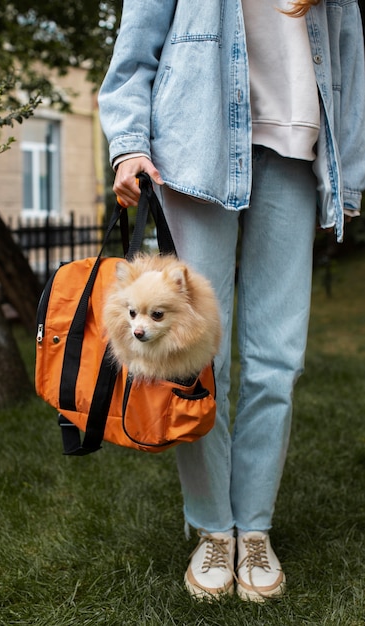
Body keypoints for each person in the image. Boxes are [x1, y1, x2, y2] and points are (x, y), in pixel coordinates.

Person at [98, 0, 365, 602]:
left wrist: (346, 173)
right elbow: (135, 50)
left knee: (278, 360)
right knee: (194, 361)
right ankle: (214, 527)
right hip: (194, 151)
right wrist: (129, 142)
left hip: (296, 154)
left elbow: (349, 54)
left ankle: (256, 530)